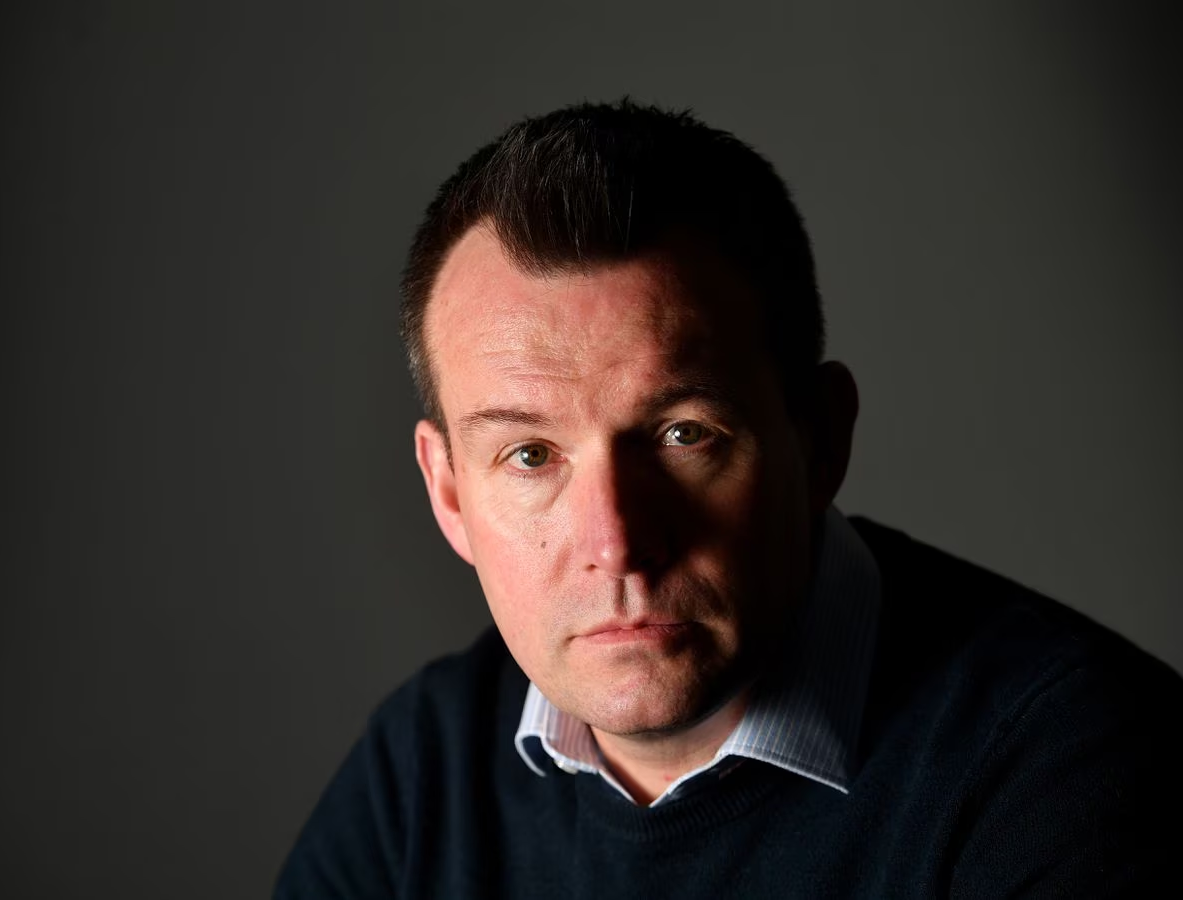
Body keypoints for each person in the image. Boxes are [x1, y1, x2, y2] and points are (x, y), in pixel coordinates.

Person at [274, 100, 1182, 898]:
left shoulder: (1075, 771)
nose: (617, 542)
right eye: (530, 455)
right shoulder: (417, 779)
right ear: (448, 493)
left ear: (819, 439)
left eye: (684, 434)